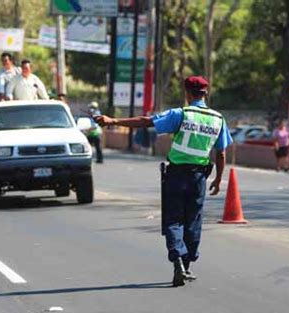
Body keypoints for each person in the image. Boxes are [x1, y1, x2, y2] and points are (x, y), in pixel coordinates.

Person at [95, 76, 232, 287]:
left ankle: (177, 258)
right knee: (193, 221)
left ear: (187, 93)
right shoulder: (218, 119)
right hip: (199, 178)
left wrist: (113, 121)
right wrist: (218, 179)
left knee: (173, 219)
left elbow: (146, 121)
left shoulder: (181, 114)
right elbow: (221, 153)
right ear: (206, 93)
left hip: (176, 175)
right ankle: (186, 264)